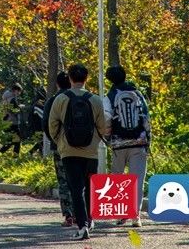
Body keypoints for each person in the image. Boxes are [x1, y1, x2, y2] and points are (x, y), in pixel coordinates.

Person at [48, 63, 109, 242]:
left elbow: (52, 124)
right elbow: (103, 127)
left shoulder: (61, 99)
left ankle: (82, 226)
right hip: (91, 152)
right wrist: (94, 143)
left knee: (76, 189)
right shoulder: (95, 100)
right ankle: (90, 220)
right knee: (90, 187)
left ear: (69, 78)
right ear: (86, 78)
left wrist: (60, 141)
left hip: (68, 151)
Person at [103, 65, 151, 228]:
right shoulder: (138, 94)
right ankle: (135, 216)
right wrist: (147, 137)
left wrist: (108, 137)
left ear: (109, 80)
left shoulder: (109, 96)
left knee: (118, 178)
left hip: (118, 143)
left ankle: (120, 214)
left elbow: (106, 119)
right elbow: (146, 117)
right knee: (137, 179)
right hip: (139, 142)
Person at [43, 71, 75, 228]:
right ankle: (80, 214)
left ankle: (68, 215)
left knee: (63, 181)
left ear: (57, 84)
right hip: (81, 148)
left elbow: (46, 125)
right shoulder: (81, 98)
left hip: (59, 148)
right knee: (77, 181)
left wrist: (55, 141)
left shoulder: (53, 101)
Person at [0, 83, 24, 155]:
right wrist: (20, 107)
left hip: (5, 121)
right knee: (16, 140)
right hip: (12, 122)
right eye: (19, 91)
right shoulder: (12, 99)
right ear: (15, 90)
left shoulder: (5, 98)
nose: (19, 93)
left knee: (11, 141)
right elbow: (14, 110)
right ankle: (14, 157)